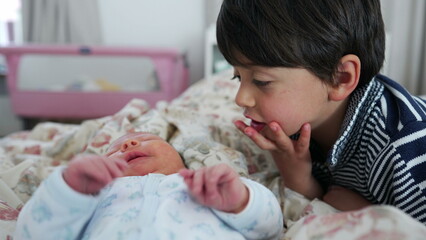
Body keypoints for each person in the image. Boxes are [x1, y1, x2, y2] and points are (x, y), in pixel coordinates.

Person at [216, 0, 426, 224]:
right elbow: (329, 195)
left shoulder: (403, 148)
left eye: (261, 81)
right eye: (238, 77)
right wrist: (298, 174)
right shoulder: (299, 121)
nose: (240, 98)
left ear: (340, 78)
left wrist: (375, 218)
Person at [14, 132, 283, 240]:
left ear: (182, 162)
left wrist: (240, 200)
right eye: (114, 150)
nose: (129, 144)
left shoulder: (204, 186)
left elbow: (270, 225)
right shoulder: (94, 195)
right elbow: (35, 232)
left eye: (145, 138)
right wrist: (68, 190)